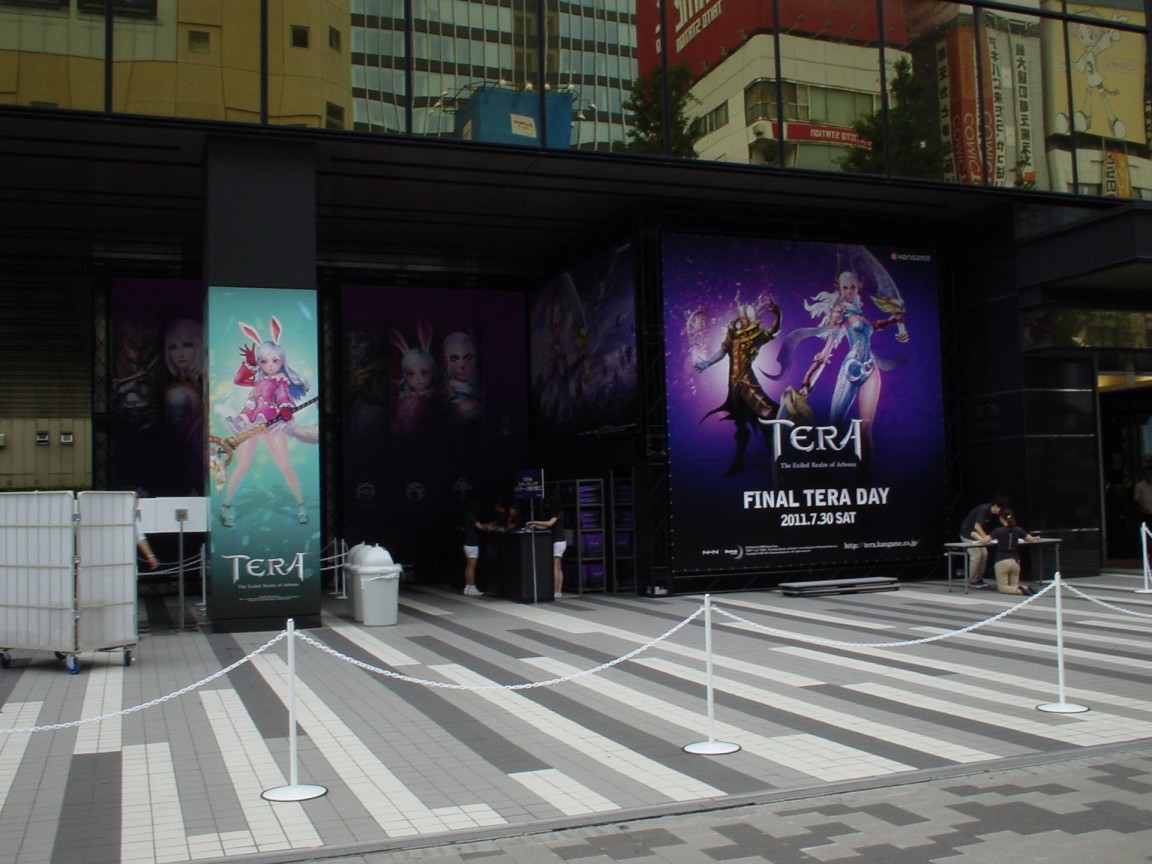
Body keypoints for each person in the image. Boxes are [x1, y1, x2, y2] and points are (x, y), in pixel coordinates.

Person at [796, 270, 905, 456]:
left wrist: (893, 320)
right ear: (839, 288)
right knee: (834, 425)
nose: (849, 291)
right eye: (845, 288)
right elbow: (827, 347)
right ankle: (824, 466)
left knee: (865, 429)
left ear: (858, 287)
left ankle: (865, 471)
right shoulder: (839, 309)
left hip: (870, 367)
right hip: (851, 368)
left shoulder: (858, 311)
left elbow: (871, 328)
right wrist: (809, 377)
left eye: (852, 287)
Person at [219, 317, 312, 528]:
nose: (270, 365)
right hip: (249, 422)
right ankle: (226, 506)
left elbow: (283, 396)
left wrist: (285, 409)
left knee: (284, 466)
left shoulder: (280, 381)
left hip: (271, 424)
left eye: (275, 361)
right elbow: (238, 380)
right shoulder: (258, 378)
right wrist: (250, 364)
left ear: (282, 361)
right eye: (264, 361)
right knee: (242, 465)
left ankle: (301, 506)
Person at [694, 291, 782, 476]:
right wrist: (707, 363)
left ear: (749, 319)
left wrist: (777, 314)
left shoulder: (756, 335)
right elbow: (722, 352)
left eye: (744, 317)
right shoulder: (733, 334)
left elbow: (772, 331)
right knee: (740, 424)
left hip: (748, 383)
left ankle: (776, 461)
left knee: (765, 417)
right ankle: (739, 460)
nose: (741, 319)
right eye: (740, 316)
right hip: (734, 385)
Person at [958, 495, 1010, 588]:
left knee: (984, 554)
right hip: (968, 534)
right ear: (996, 505)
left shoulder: (991, 513)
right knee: (976, 555)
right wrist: (986, 538)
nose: (1000, 511)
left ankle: (979, 578)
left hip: (976, 536)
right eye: (1000, 509)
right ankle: (972, 579)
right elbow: (977, 526)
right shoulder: (983, 509)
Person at [988, 509, 1040, 595]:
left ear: (1001, 518)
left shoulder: (998, 531)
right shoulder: (1018, 529)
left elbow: (985, 540)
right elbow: (1030, 539)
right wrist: (1036, 538)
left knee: (1003, 587)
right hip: (1015, 561)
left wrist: (975, 535)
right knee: (1014, 585)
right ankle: (1026, 588)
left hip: (1002, 560)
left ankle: (1020, 591)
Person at [527, 499, 567, 599]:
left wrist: (533, 521)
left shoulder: (558, 513)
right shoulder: (558, 514)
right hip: (561, 542)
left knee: (555, 567)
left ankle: (555, 591)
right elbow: (545, 527)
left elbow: (549, 524)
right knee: (559, 567)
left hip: (558, 542)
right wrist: (535, 526)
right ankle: (558, 591)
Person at [461, 500, 487, 597]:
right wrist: (485, 526)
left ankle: (467, 587)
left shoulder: (467, 515)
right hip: (472, 543)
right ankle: (472, 587)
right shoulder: (471, 515)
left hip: (467, 543)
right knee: (472, 566)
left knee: (468, 566)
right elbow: (479, 526)